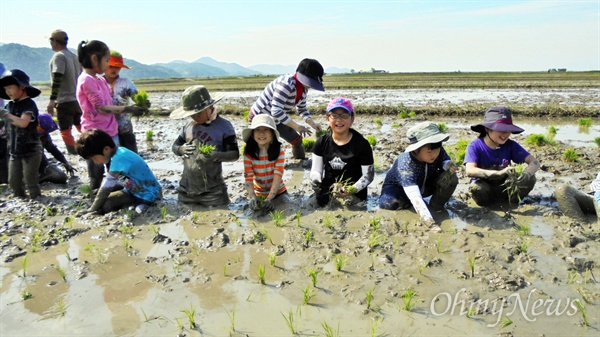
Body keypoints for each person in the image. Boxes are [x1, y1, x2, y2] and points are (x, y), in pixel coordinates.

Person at [76, 40, 146, 190]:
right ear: (95, 59)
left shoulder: (99, 79)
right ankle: (94, 192)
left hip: (110, 130)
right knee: (96, 167)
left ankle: (122, 190)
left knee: (116, 164)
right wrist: (128, 109)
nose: (108, 65)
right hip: (94, 133)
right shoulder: (86, 80)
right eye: (107, 61)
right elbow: (101, 108)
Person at [379, 122, 458, 231]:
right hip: (399, 189)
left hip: (425, 184)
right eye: (430, 152)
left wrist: (448, 164)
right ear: (416, 149)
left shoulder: (437, 149)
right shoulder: (405, 164)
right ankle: (410, 205)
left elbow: (444, 159)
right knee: (388, 204)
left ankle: (436, 206)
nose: (434, 154)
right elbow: (415, 197)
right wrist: (431, 224)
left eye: (437, 150)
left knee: (451, 177)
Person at [171, 85, 239, 206]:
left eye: (198, 113)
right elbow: (175, 147)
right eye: (192, 114)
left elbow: (234, 154)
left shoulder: (224, 127)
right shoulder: (188, 126)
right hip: (186, 190)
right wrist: (181, 149)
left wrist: (216, 155)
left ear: (210, 107)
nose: (195, 116)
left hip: (213, 192)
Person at [249, 58, 324, 159]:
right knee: (266, 148)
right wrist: (297, 127)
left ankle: (300, 165)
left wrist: (313, 125)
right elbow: (276, 111)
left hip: (276, 119)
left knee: (297, 141)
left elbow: (302, 109)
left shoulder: (303, 89)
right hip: (261, 119)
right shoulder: (286, 84)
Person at [464, 106, 540, 206]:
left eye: (508, 130)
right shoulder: (475, 146)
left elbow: (534, 162)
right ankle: (489, 207)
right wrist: (498, 174)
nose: (505, 134)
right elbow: (469, 171)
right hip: (484, 186)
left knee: (531, 178)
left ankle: (510, 203)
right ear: (487, 129)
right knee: (477, 189)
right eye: (501, 129)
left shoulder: (510, 145)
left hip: (506, 187)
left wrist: (526, 174)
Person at [75, 129, 161, 215]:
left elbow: (106, 188)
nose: (95, 162)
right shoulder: (120, 151)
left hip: (148, 194)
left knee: (106, 205)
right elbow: (123, 179)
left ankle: (141, 206)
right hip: (135, 189)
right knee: (99, 197)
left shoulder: (118, 159)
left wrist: (92, 209)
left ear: (106, 149)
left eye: (94, 158)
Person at [310, 97, 374, 207]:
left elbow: (368, 175)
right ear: (328, 118)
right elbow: (316, 170)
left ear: (352, 118)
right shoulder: (321, 142)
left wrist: (352, 189)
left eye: (344, 115)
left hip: (355, 193)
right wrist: (315, 179)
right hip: (328, 190)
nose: (339, 120)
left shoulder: (362, 144)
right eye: (334, 115)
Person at [0, 69, 43, 198]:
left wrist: (5, 114)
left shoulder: (29, 104)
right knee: (13, 182)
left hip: (30, 150)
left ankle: (38, 202)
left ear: (22, 87)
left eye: (10, 88)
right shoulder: (9, 106)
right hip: (14, 151)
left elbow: (23, 123)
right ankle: (21, 200)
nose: (8, 92)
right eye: (5, 89)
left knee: (31, 181)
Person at [47, 29, 83, 155]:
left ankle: (74, 153)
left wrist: (52, 100)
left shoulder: (59, 56)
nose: (50, 43)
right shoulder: (74, 57)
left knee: (65, 130)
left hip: (64, 100)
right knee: (81, 126)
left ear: (56, 42)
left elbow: (58, 77)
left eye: (51, 40)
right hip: (77, 100)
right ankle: (87, 147)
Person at [242, 114, 287, 213]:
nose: (261, 133)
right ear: (253, 133)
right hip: (259, 193)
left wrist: (270, 198)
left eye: (266, 129)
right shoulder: (248, 153)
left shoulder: (279, 151)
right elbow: (248, 176)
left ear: (272, 133)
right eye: (258, 129)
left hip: (279, 192)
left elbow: (278, 174)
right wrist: (253, 197)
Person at [103, 50, 139, 153]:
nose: (114, 70)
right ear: (104, 66)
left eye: (117, 67)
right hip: (106, 129)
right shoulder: (98, 83)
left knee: (131, 157)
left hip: (124, 127)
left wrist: (142, 104)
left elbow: (136, 97)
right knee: (111, 159)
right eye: (111, 66)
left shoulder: (126, 83)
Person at [37, 112, 77, 184]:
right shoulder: (24, 135)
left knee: (62, 177)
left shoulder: (44, 136)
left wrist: (65, 162)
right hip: (27, 164)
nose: (41, 135)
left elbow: (52, 149)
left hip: (41, 164)